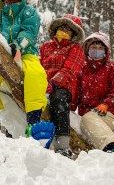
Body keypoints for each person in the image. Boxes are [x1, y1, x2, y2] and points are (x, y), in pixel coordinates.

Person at [0, 0, 52, 142]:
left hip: (26, 54)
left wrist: (17, 46)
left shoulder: (29, 12)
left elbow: (29, 33)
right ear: (2, 0)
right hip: (4, 58)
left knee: (35, 75)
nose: (12, 1)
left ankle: (34, 121)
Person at [40, 14, 85, 158]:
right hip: (42, 85)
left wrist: (51, 83)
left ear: (74, 34)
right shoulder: (45, 47)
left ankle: (62, 145)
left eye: (69, 29)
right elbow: (38, 67)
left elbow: (69, 71)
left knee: (58, 99)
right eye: (62, 28)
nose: (64, 31)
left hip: (63, 88)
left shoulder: (76, 49)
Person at [76, 32, 114, 153]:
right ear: (87, 48)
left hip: (109, 112)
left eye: (100, 48)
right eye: (93, 47)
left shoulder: (112, 66)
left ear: (106, 51)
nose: (96, 50)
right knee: (87, 119)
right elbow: (75, 93)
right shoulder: (81, 68)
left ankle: (113, 147)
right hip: (86, 113)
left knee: (88, 119)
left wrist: (107, 103)